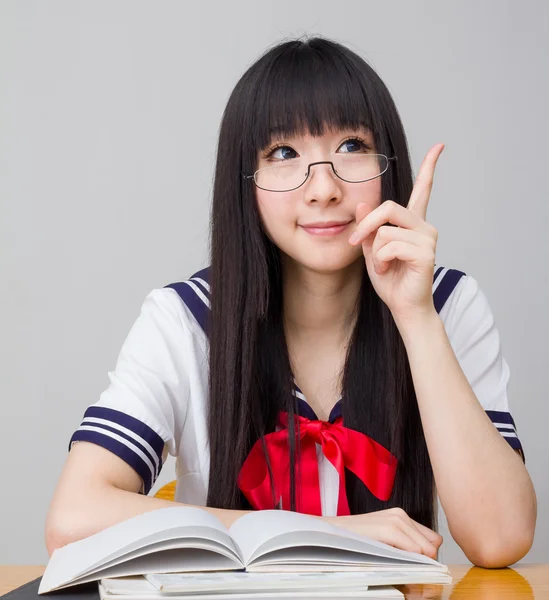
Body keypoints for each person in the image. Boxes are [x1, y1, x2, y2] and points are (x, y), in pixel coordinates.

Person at [45, 36, 536, 568]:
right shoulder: (185, 320)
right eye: (283, 154)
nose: (322, 188)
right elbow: (72, 519)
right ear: (244, 182)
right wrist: (322, 534)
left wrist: (415, 318)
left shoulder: (445, 305)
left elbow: (500, 538)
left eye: (351, 146)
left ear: (389, 164)